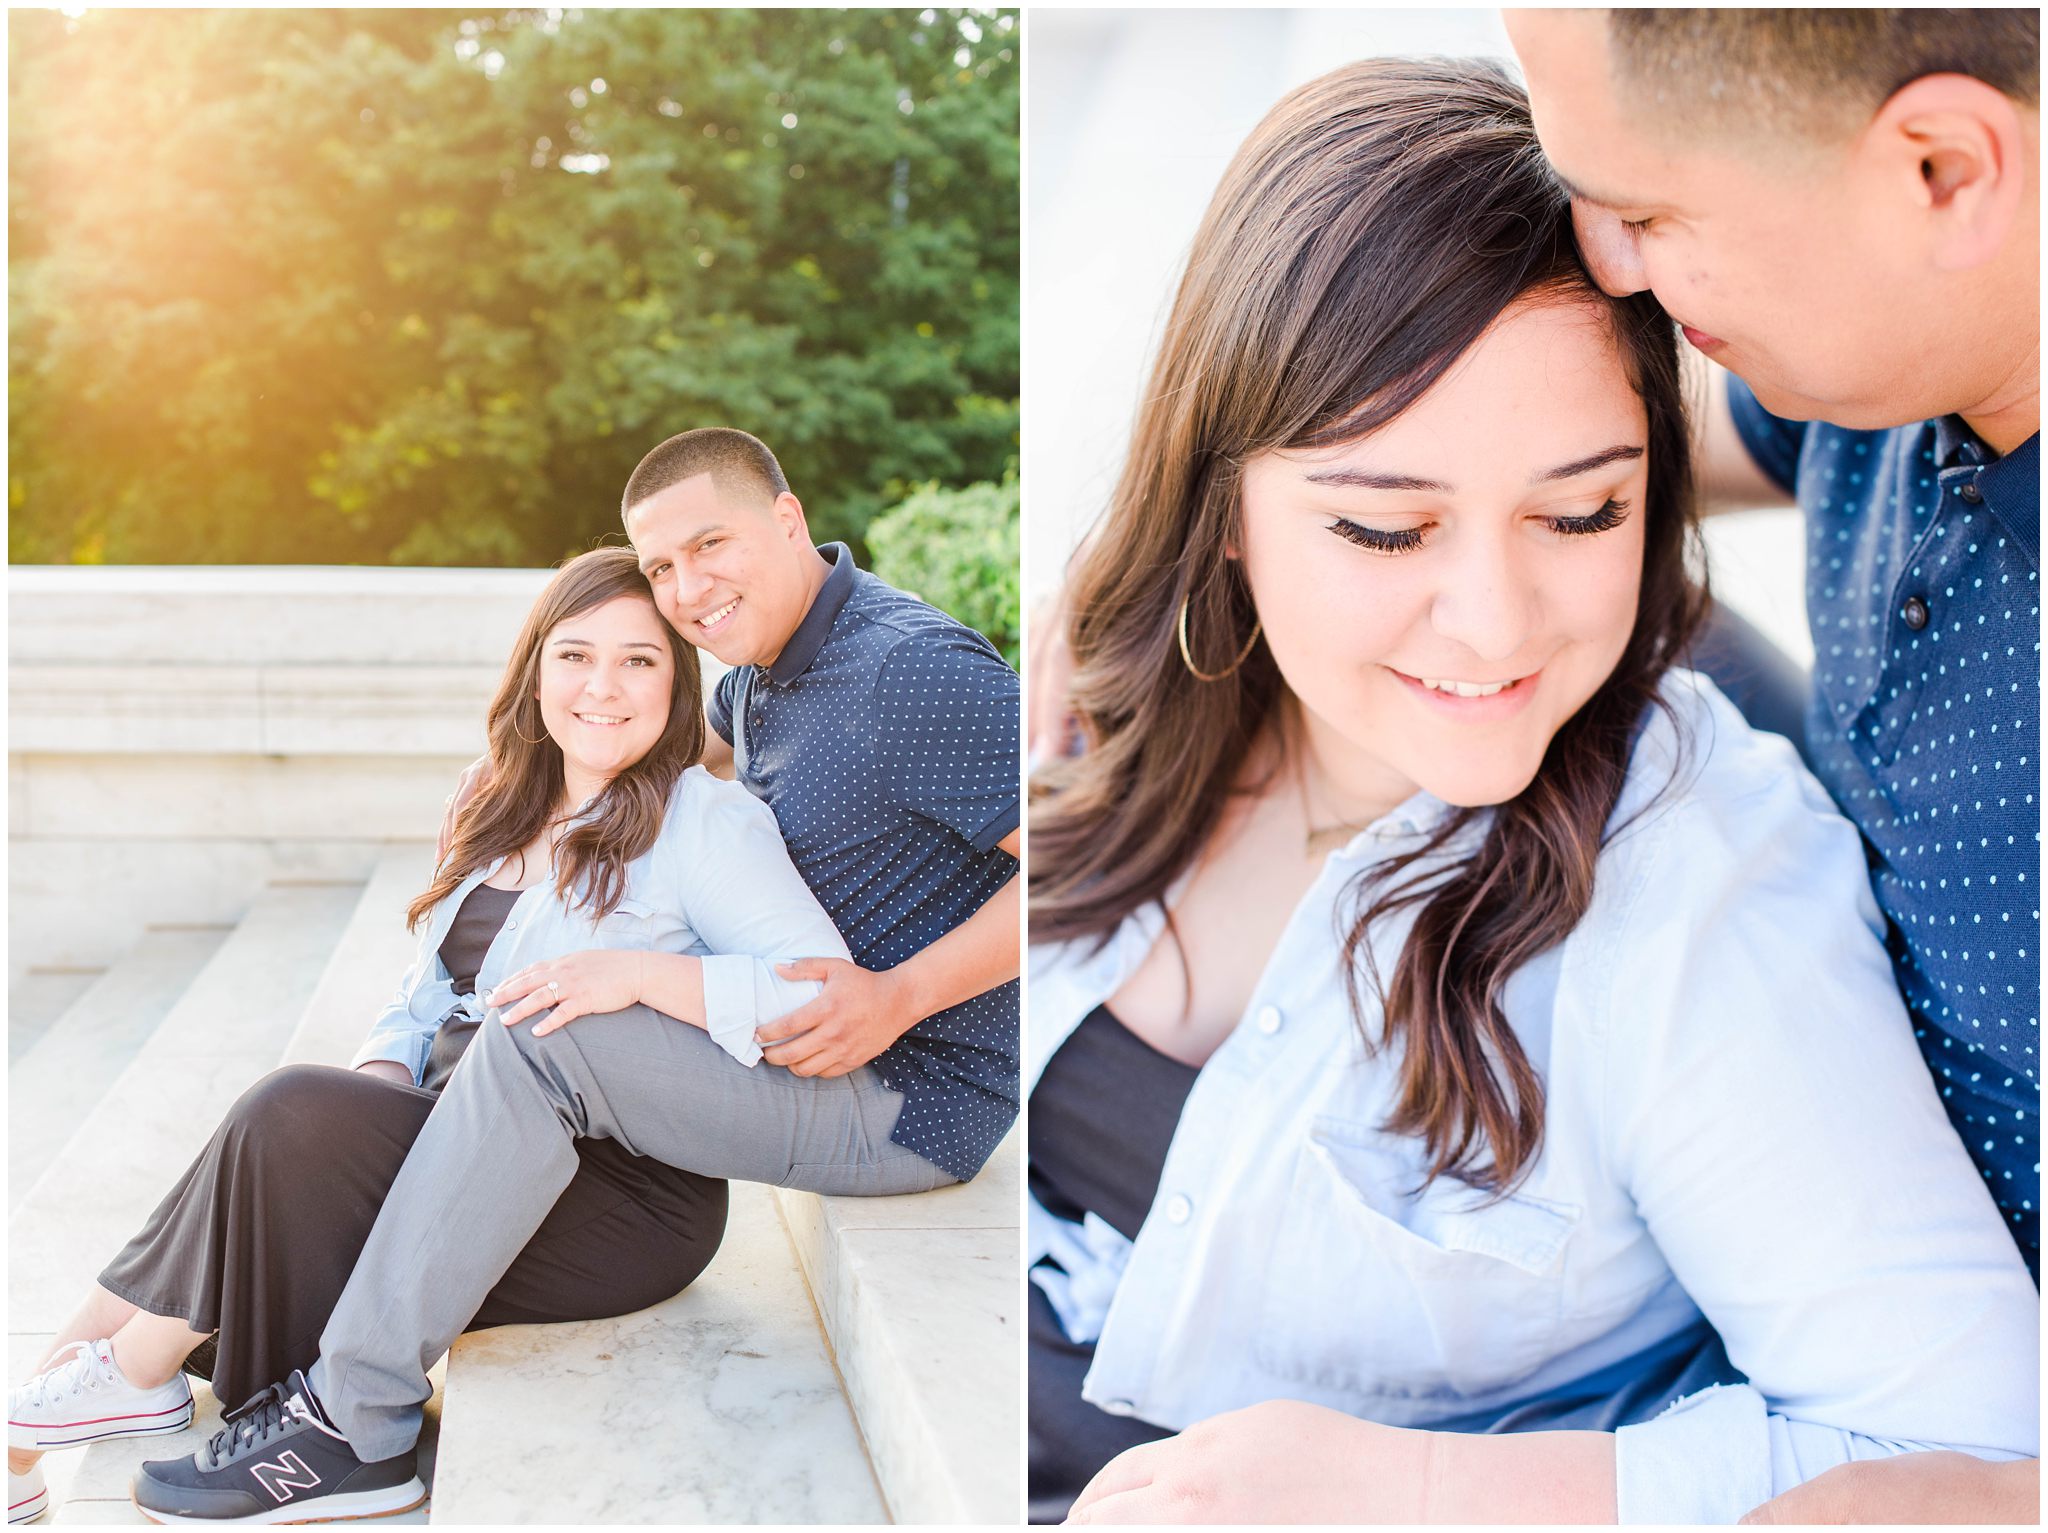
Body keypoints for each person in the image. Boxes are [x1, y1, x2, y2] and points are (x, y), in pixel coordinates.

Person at [1025, 57, 2036, 1526]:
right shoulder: (1106, 702)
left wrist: (1424, 1488)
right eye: (1385, 530)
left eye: (1583, 511)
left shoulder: (1695, 886)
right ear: (1221, 511)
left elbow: (1971, 1447)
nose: (1495, 623)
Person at [121, 428, 1023, 1523]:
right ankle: (157, 1363)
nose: (687, 590)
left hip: (912, 1092)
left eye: (711, 546)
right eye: (661, 568)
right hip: (802, 1043)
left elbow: (1090, 854)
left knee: (565, 1024)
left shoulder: (907, 671)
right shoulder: (762, 678)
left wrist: (901, 995)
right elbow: (703, 790)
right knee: (363, 1094)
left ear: (788, 523)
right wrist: (549, 781)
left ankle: (357, 1422)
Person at [7, 547, 851, 1525]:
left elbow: (814, 988)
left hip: (614, 1192)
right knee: (283, 1138)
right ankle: (29, 1434)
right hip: (452, 1133)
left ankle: (130, 1379)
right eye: (576, 656)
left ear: (677, 681)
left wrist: (640, 975)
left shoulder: (701, 825)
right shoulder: (495, 799)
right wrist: (370, 1101)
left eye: (639, 661)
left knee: (283, 1120)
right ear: (535, 670)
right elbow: (421, 996)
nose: (603, 688)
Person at [1500, 11, 2039, 1522]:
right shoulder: (1898, 366)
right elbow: (1580, 441)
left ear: (1941, 169)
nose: (1609, 260)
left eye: (1652, 213)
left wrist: (2002, 1501)